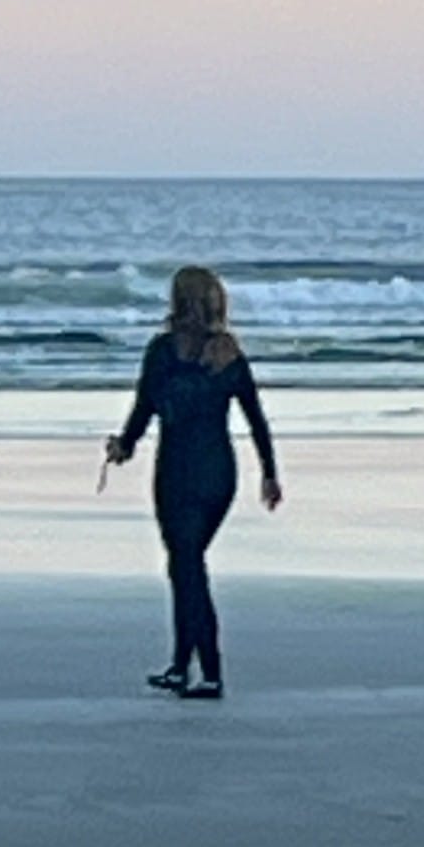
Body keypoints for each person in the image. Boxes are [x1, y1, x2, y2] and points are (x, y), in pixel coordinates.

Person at [104, 266, 281, 699]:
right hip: (219, 473)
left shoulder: (163, 351)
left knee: (186, 567)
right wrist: (269, 474)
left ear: (177, 301)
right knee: (185, 566)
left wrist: (123, 445)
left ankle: (211, 673)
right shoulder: (228, 353)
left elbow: (144, 406)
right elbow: (255, 418)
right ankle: (182, 667)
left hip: (178, 472)